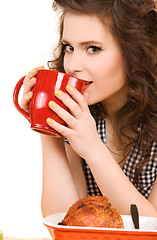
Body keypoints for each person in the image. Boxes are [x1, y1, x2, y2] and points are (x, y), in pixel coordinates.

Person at [21, 0, 157, 220]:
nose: (73, 65)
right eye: (69, 48)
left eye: (93, 49)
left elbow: (151, 227)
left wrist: (93, 149)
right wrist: (48, 128)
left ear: (136, 52)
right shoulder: (78, 115)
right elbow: (64, 222)